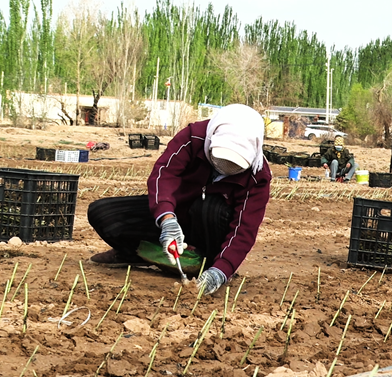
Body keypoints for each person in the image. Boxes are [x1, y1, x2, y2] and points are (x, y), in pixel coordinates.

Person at [87, 104, 271, 296]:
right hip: (177, 214)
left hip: (210, 229)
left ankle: (207, 266)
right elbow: (163, 175)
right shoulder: (193, 137)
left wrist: (221, 270)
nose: (225, 166)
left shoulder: (259, 176)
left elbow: (244, 230)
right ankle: (140, 254)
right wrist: (167, 219)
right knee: (103, 214)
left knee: (210, 207)